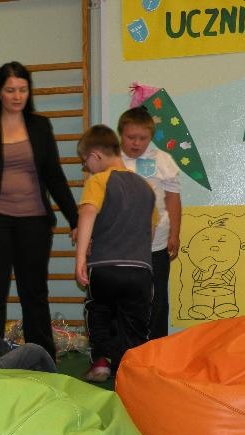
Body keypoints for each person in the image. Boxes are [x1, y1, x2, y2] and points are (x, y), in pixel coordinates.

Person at [0, 61, 78, 360]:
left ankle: (42, 357)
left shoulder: (40, 126)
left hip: (34, 222)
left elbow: (54, 177)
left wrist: (75, 220)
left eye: (23, 90)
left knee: (34, 294)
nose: (17, 96)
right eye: (11, 90)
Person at [75, 125, 156, 382]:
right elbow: (151, 229)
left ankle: (100, 360)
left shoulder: (98, 181)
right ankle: (128, 371)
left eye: (85, 162)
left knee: (98, 310)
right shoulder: (146, 187)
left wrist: (81, 257)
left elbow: (88, 213)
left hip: (105, 266)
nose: (87, 168)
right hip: (140, 270)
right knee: (134, 322)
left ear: (96, 155)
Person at [118, 106, 182, 339]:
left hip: (157, 245)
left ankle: (157, 347)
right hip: (121, 246)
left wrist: (174, 233)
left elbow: (173, 199)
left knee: (158, 299)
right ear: (121, 134)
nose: (136, 143)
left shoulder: (162, 160)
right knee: (124, 298)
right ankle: (125, 349)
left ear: (151, 136)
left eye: (143, 138)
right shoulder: (112, 160)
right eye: (130, 137)